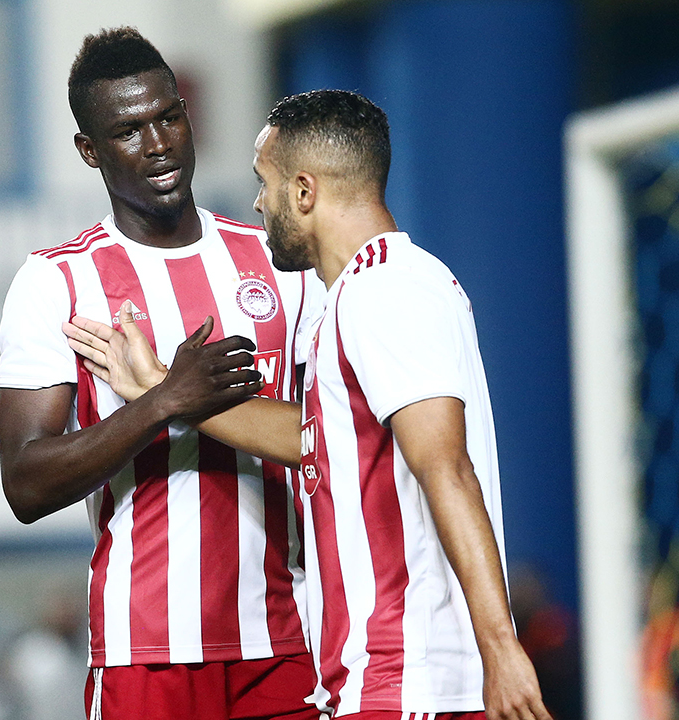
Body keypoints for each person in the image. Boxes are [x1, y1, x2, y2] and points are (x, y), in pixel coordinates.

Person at [63, 90, 551, 720]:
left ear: (302, 192)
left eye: (264, 184)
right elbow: (311, 436)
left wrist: (502, 649)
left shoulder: (387, 290)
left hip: (413, 680)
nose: (257, 204)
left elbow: (448, 469)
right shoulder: (354, 296)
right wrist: (162, 391)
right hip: (376, 680)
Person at [0, 28, 325, 720]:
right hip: (145, 653)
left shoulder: (279, 262)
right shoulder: (57, 282)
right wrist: (162, 401)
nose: (158, 145)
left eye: (169, 118)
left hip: (288, 639)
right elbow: (25, 483)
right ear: (90, 150)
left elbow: (330, 433)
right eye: (128, 132)